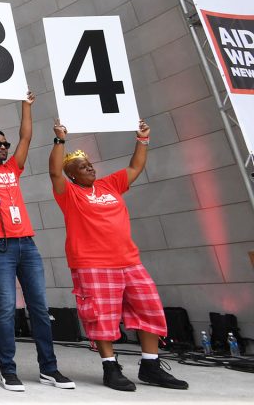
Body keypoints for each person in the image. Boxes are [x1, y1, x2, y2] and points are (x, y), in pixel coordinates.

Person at [49, 118, 188, 392]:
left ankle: (150, 366)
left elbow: (136, 167)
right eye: (81, 166)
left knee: (150, 309)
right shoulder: (70, 193)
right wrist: (60, 140)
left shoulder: (109, 184)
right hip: (93, 265)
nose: (89, 167)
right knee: (101, 317)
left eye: (89, 163)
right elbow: (54, 174)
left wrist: (143, 139)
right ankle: (110, 368)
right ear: (72, 175)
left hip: (129, 261)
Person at [0, 86, 74, 392]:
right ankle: (8, 369)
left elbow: (26, 138)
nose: (3, 147)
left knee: (39, 307)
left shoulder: (13, 169)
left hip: (26, 244)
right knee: (6, 308)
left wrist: (26, 105)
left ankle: (49, 368)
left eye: (4, 144)